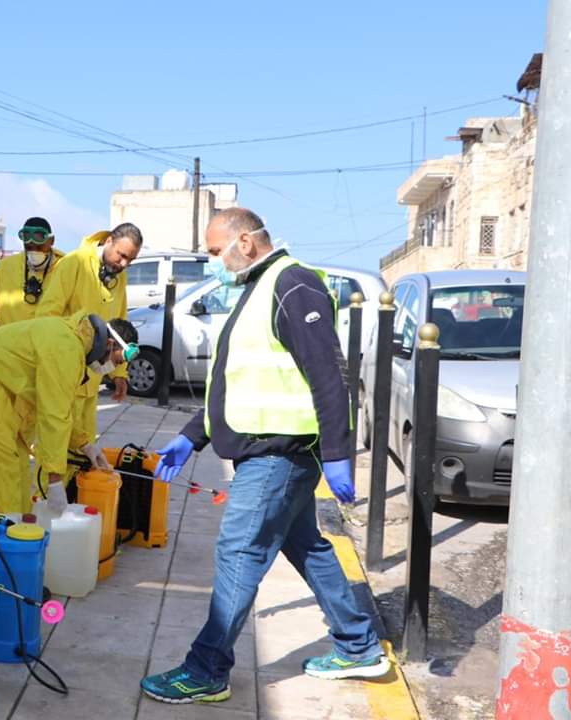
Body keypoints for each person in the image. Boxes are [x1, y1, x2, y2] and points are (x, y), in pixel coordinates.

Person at [140, 209, 389, 706]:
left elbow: (328, 372)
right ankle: (358, 645)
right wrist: (193, 435)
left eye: (215, 251)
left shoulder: (293, 285)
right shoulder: (258, 289)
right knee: (308, 547)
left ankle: (206, 670)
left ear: (246, 242)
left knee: (239, 552)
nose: (211, 261)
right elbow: (239, 381)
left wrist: (338, 451)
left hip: (278, 455)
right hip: (271, 452)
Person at [0, 312, 139, 514]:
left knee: (19, 469)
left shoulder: (75, 343)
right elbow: (54, 416)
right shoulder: (66, 349)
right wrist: (55, 480)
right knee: (0, 473)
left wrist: (85, 445)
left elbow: (62, 406)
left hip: (2, 386)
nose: (111, 368)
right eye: (116, 361)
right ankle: (2, 529)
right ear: (109, 344)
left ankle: (18, 527)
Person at [35, 223, 142, 442]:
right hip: (64, 376)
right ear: (109, 241)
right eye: (121, 256)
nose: (124, 264)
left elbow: (120, 325)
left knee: (83, 445)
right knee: (55, 443)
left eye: (130, 260)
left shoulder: (118, 276)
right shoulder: (75, 263)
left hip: (91, 380)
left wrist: (119, 373)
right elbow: (47, 315)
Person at [0, 216, 66, 341]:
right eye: (28, 243)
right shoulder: (6, 268)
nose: (33, 245)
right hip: (9, 349)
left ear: (51, 240)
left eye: (39, 243)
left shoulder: (65, 269)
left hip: (48, 349)